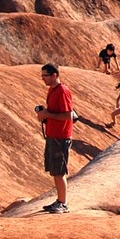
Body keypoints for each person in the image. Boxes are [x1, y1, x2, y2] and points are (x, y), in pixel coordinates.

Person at [36, 64, 73, 213]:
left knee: (59, 171)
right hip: (53, 135)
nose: (43, 78)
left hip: (61, 136)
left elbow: (69, 115)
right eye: (42, 76)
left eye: (45, 75)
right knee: (54, 170)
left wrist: (48, 115)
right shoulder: (52, 90)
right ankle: (59, 200)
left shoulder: (62, 91)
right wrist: (46, 114)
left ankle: (63, 204)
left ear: (54, 75)